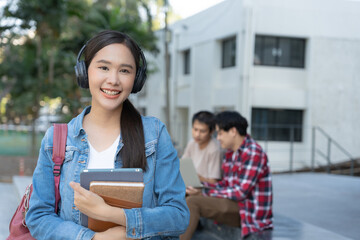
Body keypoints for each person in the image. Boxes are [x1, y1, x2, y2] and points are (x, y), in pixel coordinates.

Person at [26, 30, 189, 240]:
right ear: (84, 72)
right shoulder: (57, 139)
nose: (113, 80)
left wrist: (111, 214)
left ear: (136, 79)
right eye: (103, 67)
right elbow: (38, 217)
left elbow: (178, 215)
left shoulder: (155, 135)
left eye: (125, 71)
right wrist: (94, 238)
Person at [180, 111, 273, 240]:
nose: (218, 138)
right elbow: (225, 184)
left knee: (193, 202)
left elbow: (241, 192)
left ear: (233, 131)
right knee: (184, 194)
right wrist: (201, 187)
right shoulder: (231, 153)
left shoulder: (253, 153)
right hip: (234, 204)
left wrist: (204, 193)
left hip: (248, 211)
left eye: (220, 133)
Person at [182, 111, 222, 183]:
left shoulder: (214, 149)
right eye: (195, 129)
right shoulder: (192, 143)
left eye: (202, 131)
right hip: (188, 185)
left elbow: (213, 181)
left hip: (205, 189)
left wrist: (197, 177)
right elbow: (182, 166)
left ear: (211, 131)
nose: (197, 134)